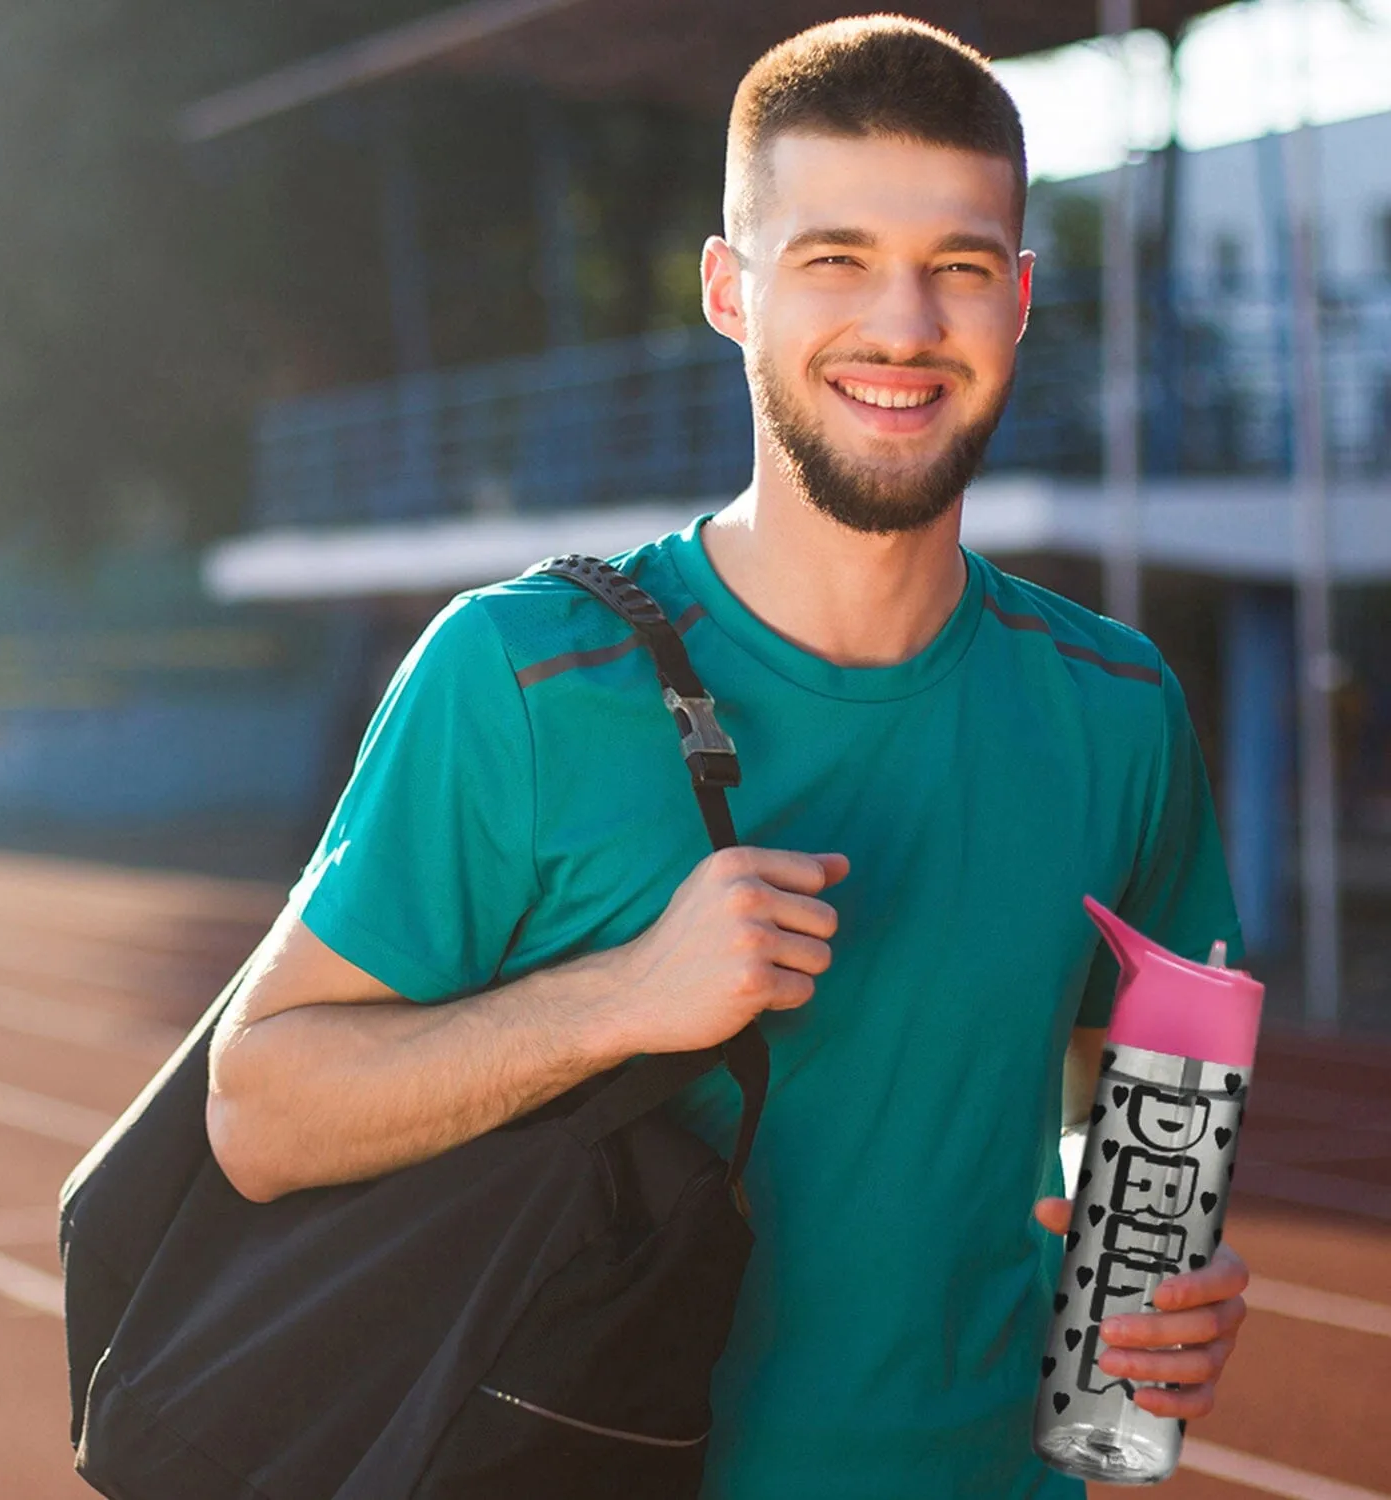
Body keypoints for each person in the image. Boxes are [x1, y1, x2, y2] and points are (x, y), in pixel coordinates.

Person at [205, 15, 1250, 1497]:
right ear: (729, 290)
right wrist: (624, 997)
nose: (903, 324)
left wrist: (1149, 1277)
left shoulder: (1117, 706)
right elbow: (259, 1111)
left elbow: (1121, 1083)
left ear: (1017, 300)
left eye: (958, 267)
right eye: (834, 257)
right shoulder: (520, 675)